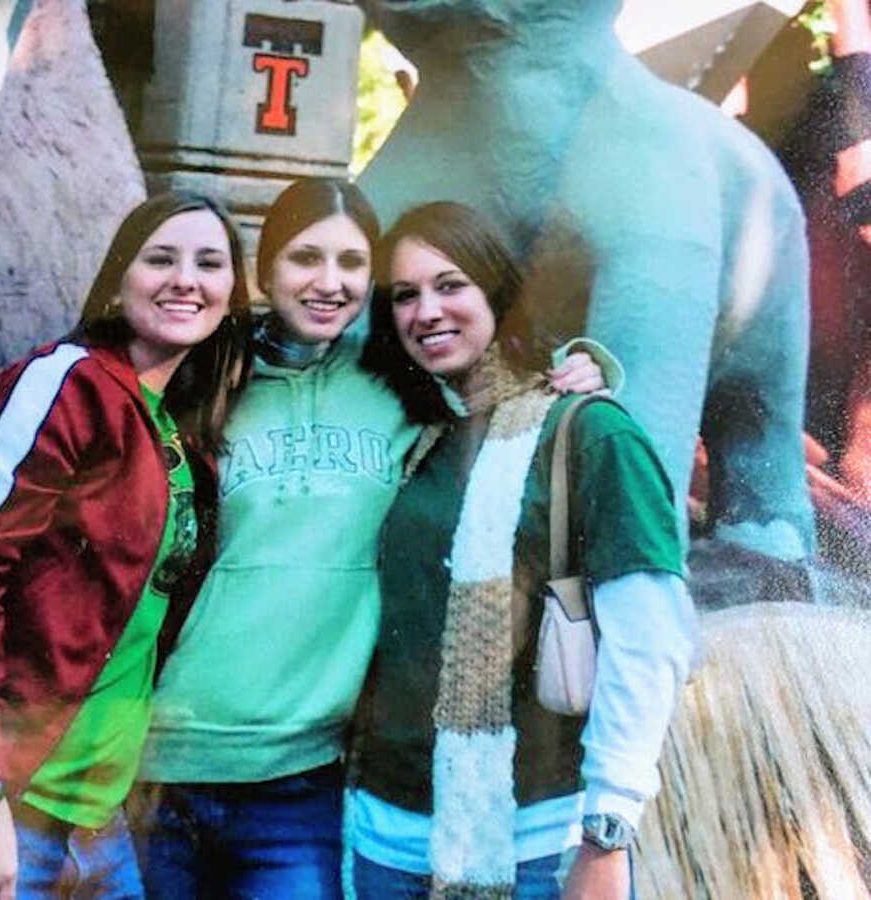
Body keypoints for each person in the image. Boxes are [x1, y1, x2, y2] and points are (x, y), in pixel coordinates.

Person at [135, 178, 612, 899]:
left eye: (352, 264)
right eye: (305, 259)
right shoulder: (205, 374)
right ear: (266, 270)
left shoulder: (398, 384)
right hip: (160, 758)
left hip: (303, 778)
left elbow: (503, 388)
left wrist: (585, 364)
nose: (329, 283)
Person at [352, 201, 696, 899]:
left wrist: (608, 833)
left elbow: (649, 639)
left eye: (451, 285)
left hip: (541, 838)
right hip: (384, 829)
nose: (427, 311)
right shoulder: (416, 436)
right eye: (405, 295)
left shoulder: (589, 433)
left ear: (497, 291)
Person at [0, 190, 251, 899]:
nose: (186, 278)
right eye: (161, 258)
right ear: (118, 275)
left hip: (100, 822)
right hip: (14, 808)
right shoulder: (66, 385)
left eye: (210, 264)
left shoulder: (176, 426)